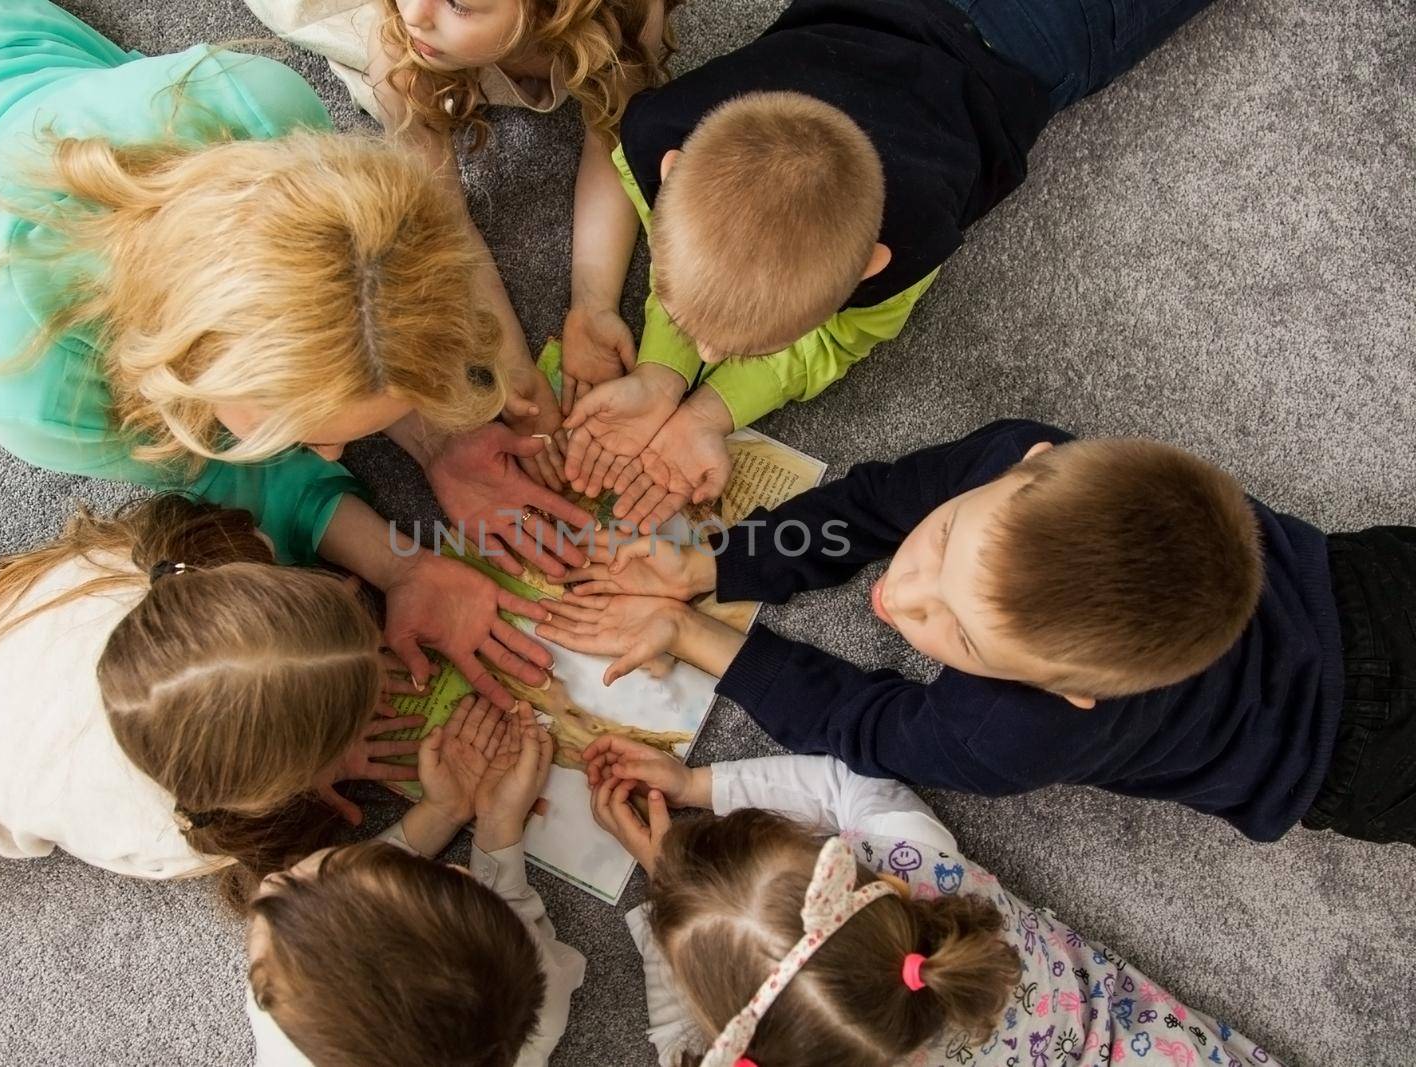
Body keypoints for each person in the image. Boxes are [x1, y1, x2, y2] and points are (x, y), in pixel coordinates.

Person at [0, 0, 590, 707]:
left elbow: (356, 321)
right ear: (194, 360)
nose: (333, 452)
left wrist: (442, 437)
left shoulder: (257, 99)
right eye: (305, 423)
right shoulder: (31, 377)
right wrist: (392, 561)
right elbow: (216, 469)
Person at [542, 419, 1416, 847]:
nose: (898, 595)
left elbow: (865, 724)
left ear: (1067, 691)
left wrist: (689, 634)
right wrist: (718, 566)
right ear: (1032, 461)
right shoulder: (1015, 452)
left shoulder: (1017, 731)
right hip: (1379, 587)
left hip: (1356, 765)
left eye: (954, 630)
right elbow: (873, 503)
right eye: (946, 540)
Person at [559, 0, 1217, 530]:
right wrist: (662, 373)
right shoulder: (657, 135)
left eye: (712, 342)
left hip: (1036, 39)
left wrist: (709, 411)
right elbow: (705, 270)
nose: (702, 349)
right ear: (672, 173)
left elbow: (840, 338)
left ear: (872, 268)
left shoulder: (911, 235)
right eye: (688, 325)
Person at [0, 494, 438, 901]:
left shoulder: (138, 565)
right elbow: (295, 903)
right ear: (259, 796)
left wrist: (321, 700)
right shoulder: (157, 831)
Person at [583, 742, 1276, 1066]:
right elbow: (845, 784)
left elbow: (676, 1041)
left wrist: (660, 888)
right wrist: (702, 783)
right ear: (862, 882)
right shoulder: (924, 866)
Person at [243, 0, 679, 488]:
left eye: (459, 4)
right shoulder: (399, 38)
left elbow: (614, 140)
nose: (413, 14)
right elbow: (440, 221)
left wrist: (594, 302)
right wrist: (509, 360)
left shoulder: (626, 16)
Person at [245, 696, 585, 1066]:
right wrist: (498, 825)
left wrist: (441, 811)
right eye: (299, 876)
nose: (269, 882)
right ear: (461, 875)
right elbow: (510, 928)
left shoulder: (285, 1002)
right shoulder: (533, 1000)